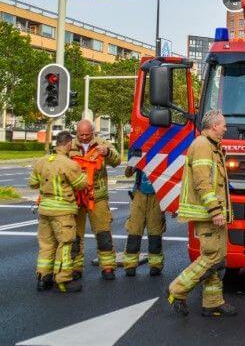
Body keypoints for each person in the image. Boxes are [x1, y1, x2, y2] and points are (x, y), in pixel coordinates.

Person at [167, 110, 236, 317]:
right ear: (214, 125)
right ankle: (177, 289)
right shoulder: (203, 146)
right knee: (212, 256)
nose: (225, 128)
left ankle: (212, 302)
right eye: (223, 124)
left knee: (218, 257)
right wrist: (215, 210)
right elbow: (202, 182)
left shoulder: (212, 147)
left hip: (214, 213)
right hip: (208, 214)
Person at [28, 131, 87, 293]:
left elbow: (32, 183)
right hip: (62, 211)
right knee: (66, 244)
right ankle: (63, 280)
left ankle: (43, 278)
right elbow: (81, 184)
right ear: (68, 144)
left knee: (46, 245)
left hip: (45, 209)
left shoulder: (41, 161)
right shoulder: (68, 164)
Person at [69, 119, 121, 280]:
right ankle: (75, 267)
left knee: (103, 233)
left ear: (93, 132)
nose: (84, 137)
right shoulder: (70, 146)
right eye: (81, 134)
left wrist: (108, 153)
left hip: (97, 196)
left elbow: (117, 160)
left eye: (87, 134)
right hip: (76, 196)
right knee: (75, 236)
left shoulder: (102, 143)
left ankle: (107, 267)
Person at [122, 152, 166, 277]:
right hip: (139, 195)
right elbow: (127, 173)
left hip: (156, 196)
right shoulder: (140, 153)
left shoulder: (163, 153)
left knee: (155, 233)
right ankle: (130, 265)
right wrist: (134, 161)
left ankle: (156, 265)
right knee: (134, 231)